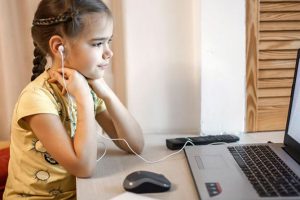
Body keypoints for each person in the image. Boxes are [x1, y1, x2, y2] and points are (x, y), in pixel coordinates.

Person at [3, 0, 144, 199]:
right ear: (59, 46)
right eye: (97, 43)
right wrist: (84, 98)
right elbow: (83, 168)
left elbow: (135, 145)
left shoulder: (87, 86)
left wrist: (105, 91)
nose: (109, 52)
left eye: (108, 41)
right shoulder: (36, 99)